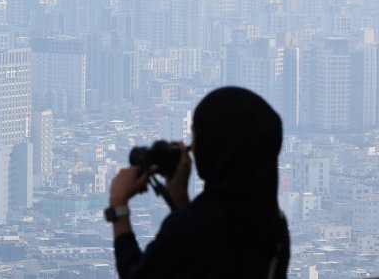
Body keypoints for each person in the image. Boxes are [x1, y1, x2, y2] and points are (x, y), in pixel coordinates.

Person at [108, 86, 290, 278]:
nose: (192, 147)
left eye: (196, 136)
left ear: (214, 146)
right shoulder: (275, 226)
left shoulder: (190, 228)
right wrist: (180, 201)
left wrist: (118, 207)